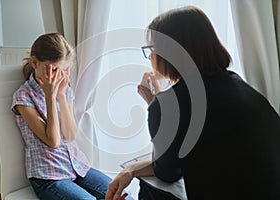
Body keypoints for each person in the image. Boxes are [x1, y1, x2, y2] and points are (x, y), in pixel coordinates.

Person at [106, 6, 280, 200]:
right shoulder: (237, 84)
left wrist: (153, 103)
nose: (151, 57)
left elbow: (167, 172)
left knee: (150, 190)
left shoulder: (169, 106)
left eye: (152, 49)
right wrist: (131, 169)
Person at [12, 33, 117, 200]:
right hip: (48, 177)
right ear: (34, 63)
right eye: (53, 69)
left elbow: (70, 135)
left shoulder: (64, 90)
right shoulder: (24, 97)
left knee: (119, 193)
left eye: (63, 70)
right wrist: (50, 97)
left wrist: (61, 94)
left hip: (77, 166)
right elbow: (53, 141)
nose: (58, 76)